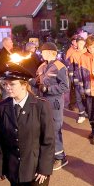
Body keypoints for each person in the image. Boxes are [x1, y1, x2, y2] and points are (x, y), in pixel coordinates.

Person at [0, 63, 55, 186]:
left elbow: (48, 140)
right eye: (5, 84)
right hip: (13, 168)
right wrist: (0, 168)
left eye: (12, 84)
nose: (7, 87)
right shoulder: (2, 107)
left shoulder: (40, 106)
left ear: (24, 85)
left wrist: (44, 169)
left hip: (36, 169)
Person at [29, 42, 69, 170]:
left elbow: (64, 86)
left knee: (55, 129)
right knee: (46, 129)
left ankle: (60, 158)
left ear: (52, 53)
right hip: (43, 101)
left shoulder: (60, 66)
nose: (41, 54)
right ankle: (51, 154)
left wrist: (48, 89)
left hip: (54, 102)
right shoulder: (42, 66)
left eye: (44, 52)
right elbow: (38, 81)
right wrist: (29, 80)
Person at [69, 36, 88, 123]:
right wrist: (72, 78)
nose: (80, 45)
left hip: (87, 79)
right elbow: (71, 67)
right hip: (77, 78)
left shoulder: (88, 53)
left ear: (84, 43)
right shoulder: (73, 54)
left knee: (87, 97)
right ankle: (81, 114)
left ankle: (88, 112)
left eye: (82, 43)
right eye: (79, 43)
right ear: (76, 44)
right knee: (78, 97)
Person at [65, 35, 78, 111]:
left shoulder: (82, 49)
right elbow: (66, 60)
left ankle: (80, 103)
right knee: (73, 88)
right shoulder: (70, 50)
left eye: (77, 41)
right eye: (75, 41)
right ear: (72, 42)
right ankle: (72, 104)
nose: (76, 42)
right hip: (73, 70)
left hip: (80, 70)